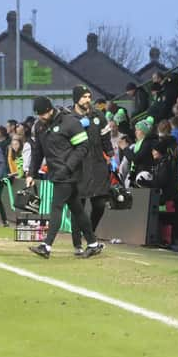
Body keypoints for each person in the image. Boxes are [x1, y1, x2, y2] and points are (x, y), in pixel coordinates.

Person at [26, 96, 102, 259]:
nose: (42, 117)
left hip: (69, 174)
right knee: (77, 210)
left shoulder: (69, 123)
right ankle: (93, 243)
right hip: (56, 173)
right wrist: (31, 173)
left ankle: (46, 246)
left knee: (56, 207)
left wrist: (68, 166)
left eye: (44, 114)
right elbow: (37, 152)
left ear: (50, 109)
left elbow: (83, 147)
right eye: (39, 115)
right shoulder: (40, 127)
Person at [69, 85, 114, 256]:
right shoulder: (68, 118)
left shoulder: (98, 116)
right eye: (84, 97)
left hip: (97, 164)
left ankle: (90, 235)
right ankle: (77, 243)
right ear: (76, 99)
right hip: (78, 164)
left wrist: (112, 156)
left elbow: (106, 139)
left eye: (89, 96)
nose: (87, 100)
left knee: (100, 203)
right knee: (78, 206)